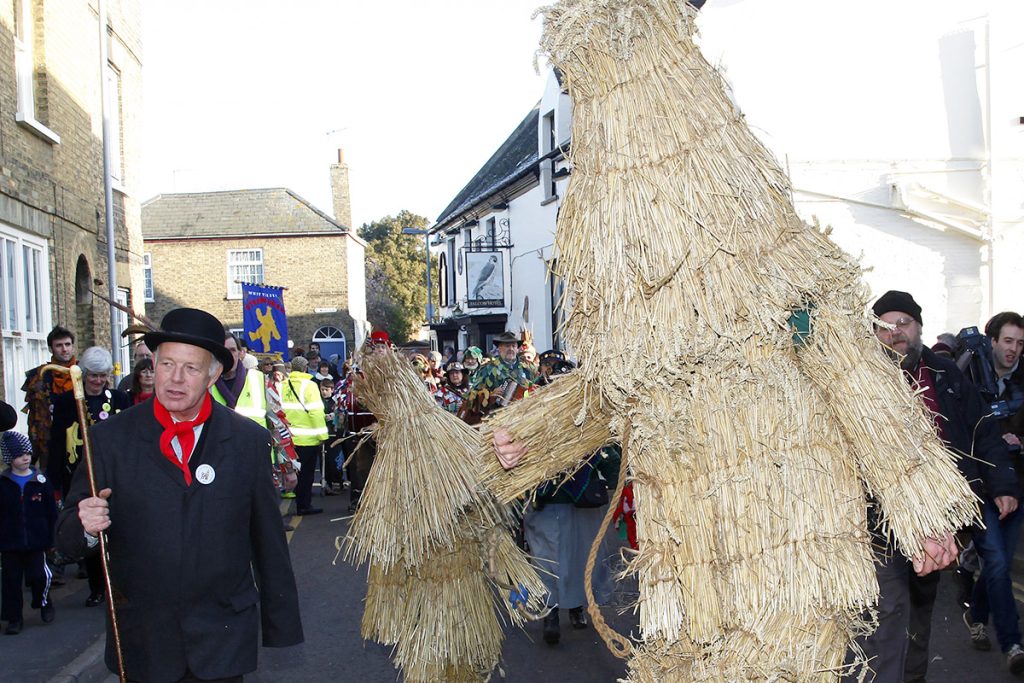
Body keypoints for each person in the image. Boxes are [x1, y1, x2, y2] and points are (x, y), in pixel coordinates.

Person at [55, 307, 303, 682]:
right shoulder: (109, 440)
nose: (175, 378)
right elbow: (67, 538)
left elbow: (267, 537)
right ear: (153, 364)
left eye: (191, 368)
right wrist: (85, 526)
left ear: (213, 374)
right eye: (167, 364)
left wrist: (280, 622)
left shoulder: (247, 441)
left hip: (222, 636)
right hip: (144, 638)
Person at [868, 290, 1021, 680]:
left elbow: (984, 430)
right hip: (881, 519)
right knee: (889, 611)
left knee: (920, 611)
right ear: (874, 331)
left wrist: (1003, 483)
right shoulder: (864, 384)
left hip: (938, 516)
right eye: (886, 325)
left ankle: (914, 677)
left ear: (919, 326)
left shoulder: (944, 375)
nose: (896, 332)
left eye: (904, 322)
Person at [959, 311, 1024, 667]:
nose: (1013, 350)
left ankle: (977, 616)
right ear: (993, 341)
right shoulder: (968, 373)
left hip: (1017, 485)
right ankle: (1013, 644)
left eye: (1020, 343)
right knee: (997, 560)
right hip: (982, 486)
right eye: (1008, 341)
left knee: (996, 565)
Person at [49, 346, 130, 607]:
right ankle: (98, 588)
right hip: (80, 475)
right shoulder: (66, 402)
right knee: (92, 532)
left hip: (115, 476)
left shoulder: (119, 399)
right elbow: (57, 443)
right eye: (92, 375)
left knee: (117, 533)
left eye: (102, 376)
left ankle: (119, 585)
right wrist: (55, 480)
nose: (97, 381)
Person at [527, 442, 620, 645]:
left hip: (580, 506)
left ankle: (573, 607)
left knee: (573, 559)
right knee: (549, 561)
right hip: (550, 506)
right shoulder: (532, 428)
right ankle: (552, 612)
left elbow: (612, 463)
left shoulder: (589, 428)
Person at [0, 431, 57, 635]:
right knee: (11, 582)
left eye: (26, 453)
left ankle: (42, 601)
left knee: (40, 575)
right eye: (18, 455)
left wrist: (52, 536)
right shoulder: (3, 484)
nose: (24, 458)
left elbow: (51, 510)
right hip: (9, 541)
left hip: (37, 540)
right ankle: (14, 618)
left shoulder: (40, 480)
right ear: (9, 459)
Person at [21, 325, 77, 471]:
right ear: (51, 348)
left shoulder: (85, 372)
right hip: (50, 441)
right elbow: (34, 418)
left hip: (79, 437)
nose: (64, 349)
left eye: (67, 344)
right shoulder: (39, 376)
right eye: (59, 345)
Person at [278, 355, 328, 515]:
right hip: (308, 438)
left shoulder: (282, 385)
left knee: (294, 471)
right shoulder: (310, 386)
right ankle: (304, 505)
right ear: (306, 368)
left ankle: (297, 500)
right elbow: (315, 412)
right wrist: (323, 436)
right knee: (306, 474)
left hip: (289, 438)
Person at [460, 331, 538, 423]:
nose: (511, 349)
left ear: (517, 349)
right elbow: (471, 397)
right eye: (507, 346)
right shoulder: (488, 369)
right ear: (499, 348)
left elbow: (537, 389)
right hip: (497, 419)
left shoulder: (528, 368)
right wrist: (489, 395)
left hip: (523, 418)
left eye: (513, 346)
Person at [210, 332, 267, 425]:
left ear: (240, 353)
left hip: (254, 438)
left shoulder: (260, 379)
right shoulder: (207, 383)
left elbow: (275, 418)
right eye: (224, 351)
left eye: (232, 350)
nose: (228, 355)